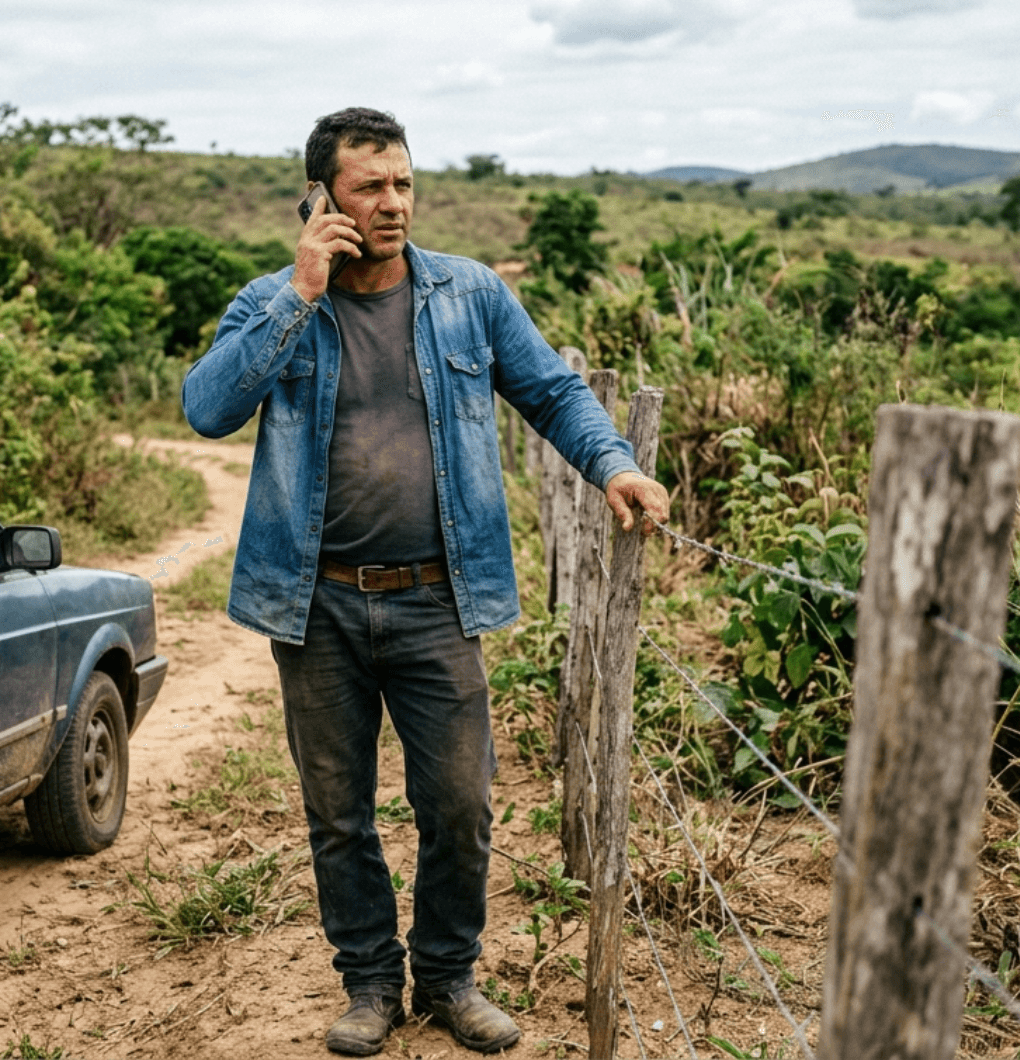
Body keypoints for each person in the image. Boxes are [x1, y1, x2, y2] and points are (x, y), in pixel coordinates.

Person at [182, 107, 670, 1056]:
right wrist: (301, 292)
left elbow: (553, 391)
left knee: (459, 803)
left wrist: (612, 464)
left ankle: (448, 977)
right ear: (321, 199)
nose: (394, 202)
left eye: (403, 183)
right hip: (315, 603)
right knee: (338, 814)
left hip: (439, 598)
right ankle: (370, 984)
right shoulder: (273, 300)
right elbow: (207, 409)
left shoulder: (469, 293)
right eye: (370, 186)